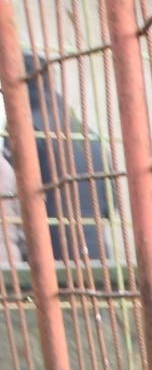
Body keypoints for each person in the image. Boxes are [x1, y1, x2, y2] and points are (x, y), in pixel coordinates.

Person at [19, 50, 116, 264]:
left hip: (52, 259)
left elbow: (14, 202)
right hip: (98, 257)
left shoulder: (26, 130)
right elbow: (110, 203)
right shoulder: (86, 132)